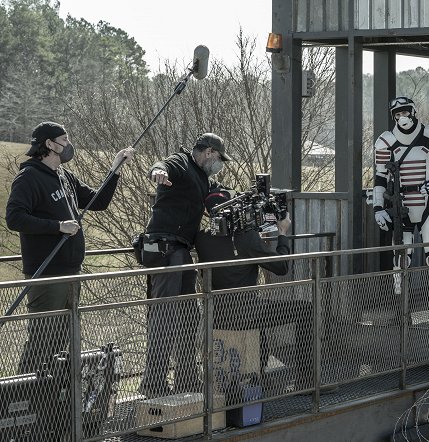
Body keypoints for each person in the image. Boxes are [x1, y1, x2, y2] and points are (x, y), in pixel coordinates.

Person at [5, 121, 134, 374]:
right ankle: (17, 400)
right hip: (47, 273)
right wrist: (58, 226)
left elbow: (99, 201)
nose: (68, 145)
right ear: (49, 145)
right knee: (43, 339)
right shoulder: (28, 177)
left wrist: (115, 170)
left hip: (72, 271)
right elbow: (15, 218)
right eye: (64, 140)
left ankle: (50, 401)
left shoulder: (65, 177)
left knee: (61, 341)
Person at [138, 132, 232, 398]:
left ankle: (187, 378)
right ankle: (154, 383)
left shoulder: (202, 177)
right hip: (166, 249)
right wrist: (156, 171)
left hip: (180, 251)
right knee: (164, 316)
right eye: (219, 159)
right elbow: (162, 165)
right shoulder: (180, 162)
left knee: (189, 315)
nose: (219, 165)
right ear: (209, 152)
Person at [195, 189, 314, 395]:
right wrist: (282, 233)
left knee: (262, 319)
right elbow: (281, 267)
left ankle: (260, 375)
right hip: (246, 312)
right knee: (305, 310)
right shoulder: (245, 238)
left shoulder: (202, 238)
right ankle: (306, 380)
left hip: (217, 313)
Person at [372, 97, 429, 319]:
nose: (402, 117)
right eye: (397, 114)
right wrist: (378, 207)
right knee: (400, 257)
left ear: (413, 112)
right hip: (400, 205)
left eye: (405, 112)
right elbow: (380, 177)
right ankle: (402, 308)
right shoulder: (385, 142)